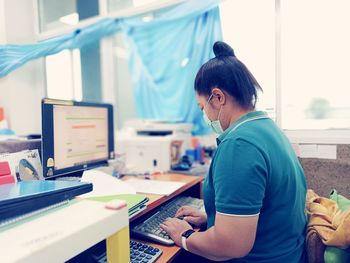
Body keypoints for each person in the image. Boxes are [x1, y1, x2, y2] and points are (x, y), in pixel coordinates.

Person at [160, 41, 307, 262]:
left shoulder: (239, 145)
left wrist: (184, 235)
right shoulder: (266, 127)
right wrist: (211, 219)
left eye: (203, 107)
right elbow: (265, 206)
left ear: (218, 97)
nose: (206, 116)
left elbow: (230, 246)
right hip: (289, 253)